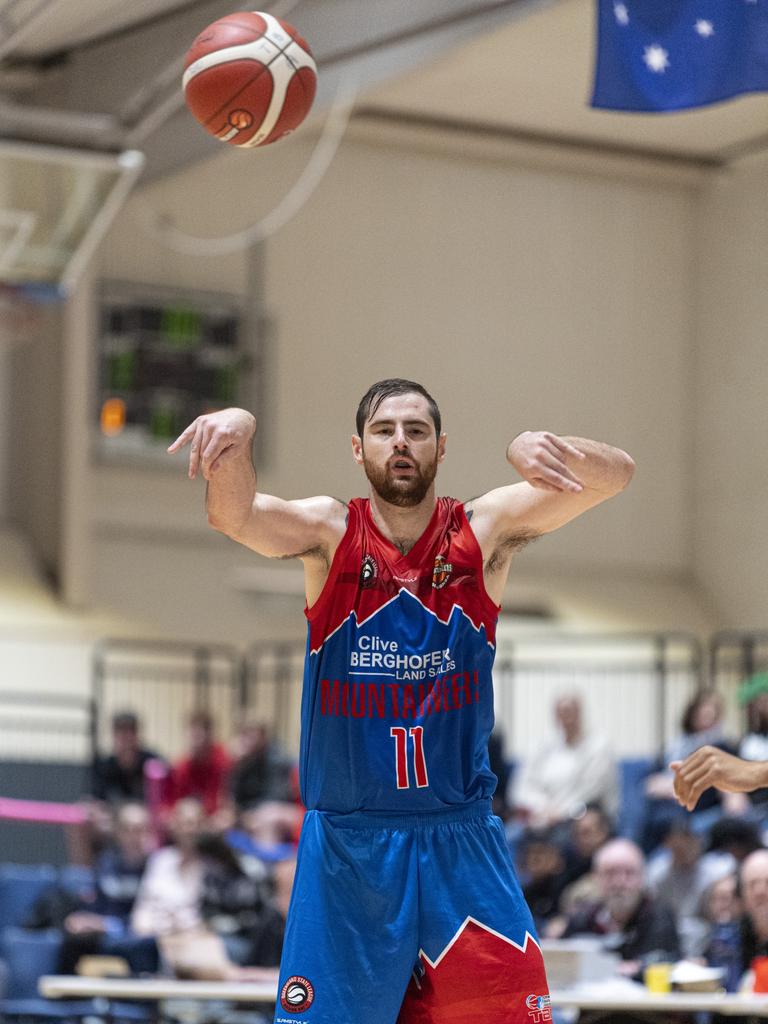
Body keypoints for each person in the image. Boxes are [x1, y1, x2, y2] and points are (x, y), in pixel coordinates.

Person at [168, 378, 635, 1023]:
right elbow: (234, 515)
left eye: (416, 431)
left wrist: (547, 449)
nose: (401, 443)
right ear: (358, 450)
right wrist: (241, 429)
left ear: (440, 446)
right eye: (384, 431)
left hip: (458, 842)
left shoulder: (482, 530)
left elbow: (618, 476)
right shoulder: (331, 534)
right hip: (350, 850)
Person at [562, 838, 681, 977]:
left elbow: (665, 964)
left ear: (642, 878)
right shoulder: (581, 918)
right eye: (610, 873)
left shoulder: (660, 917)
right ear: (596, 878)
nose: (619, 882)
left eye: (629, 873)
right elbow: (563, 963)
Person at [512, 693, 618, 831]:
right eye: (561, 712)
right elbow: (522, 787)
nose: (566, 718)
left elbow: (590, 791)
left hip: (583, 818)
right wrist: (543, 807)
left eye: (570, 712)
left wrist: (560, 813)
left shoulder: (599, 747)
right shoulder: (542, 745)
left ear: (580, 713)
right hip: (542, 816)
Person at [168, 710, 232, 817]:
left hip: (215, 819)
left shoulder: (223, 760)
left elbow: (225, 798)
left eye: (199, 736)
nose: (196, 742)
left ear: (210, 735)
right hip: (191, 820)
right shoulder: (180, 766)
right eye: (193, 735)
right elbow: (173, 804)